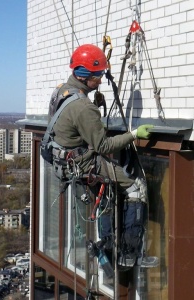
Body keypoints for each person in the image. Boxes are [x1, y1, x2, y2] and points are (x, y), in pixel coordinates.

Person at [50, 44, 157, 268]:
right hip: (83, 162)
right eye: (98, 76)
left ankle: (107, 248)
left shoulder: (62, 91)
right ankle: (130, 254)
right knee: (135, 188)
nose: (100, 80)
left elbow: (68, 122)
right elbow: (104, 145)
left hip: (65, 159)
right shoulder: (83, 107)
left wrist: (89, 115)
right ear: (86, 76)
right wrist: (134, 134)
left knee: (107, 196)